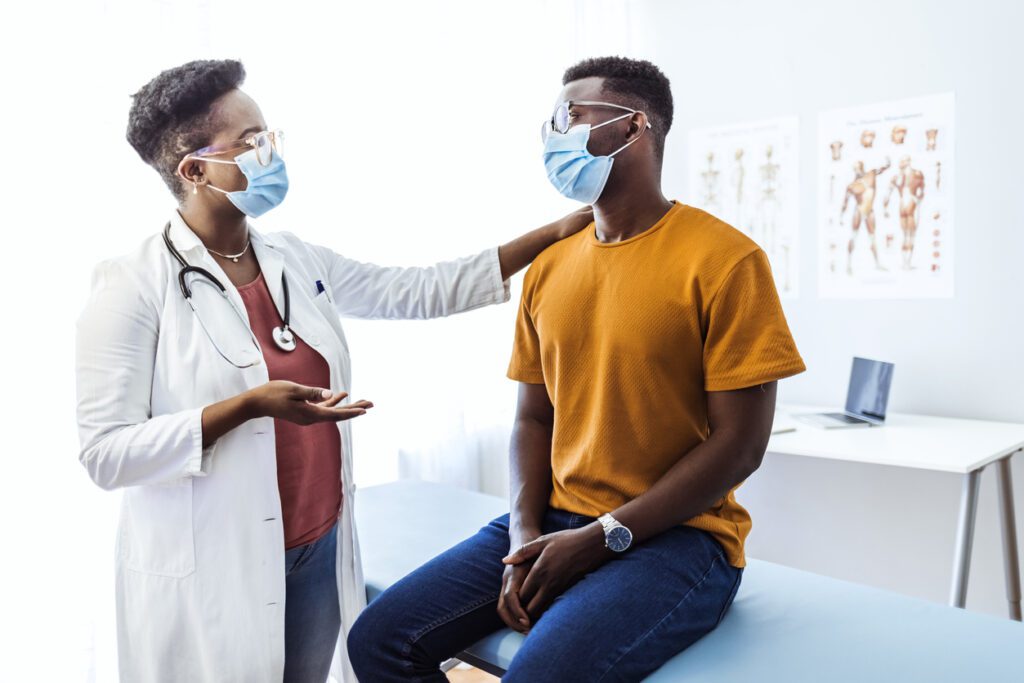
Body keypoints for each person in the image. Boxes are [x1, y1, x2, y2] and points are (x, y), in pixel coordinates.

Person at [74, 59, 591, 683]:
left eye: (269, 136)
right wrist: (249, 405)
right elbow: (106, 453)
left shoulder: (291, 257)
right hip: (217, 560)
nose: (270, 153)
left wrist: (556, 232)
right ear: (195, 170)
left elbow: (417, 290)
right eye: (251, 142)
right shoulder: (131, 284)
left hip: (316, 544)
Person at [347, 56, 805, 681]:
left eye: (571, 117)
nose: (553, 135)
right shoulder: (552, 265)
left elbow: (740, 446)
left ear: (632, 128)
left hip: (679, 537)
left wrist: (600, 539)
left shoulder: (726, 262)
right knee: (379, 640)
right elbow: (533, 418)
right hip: (556, 517)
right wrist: (523, 534)